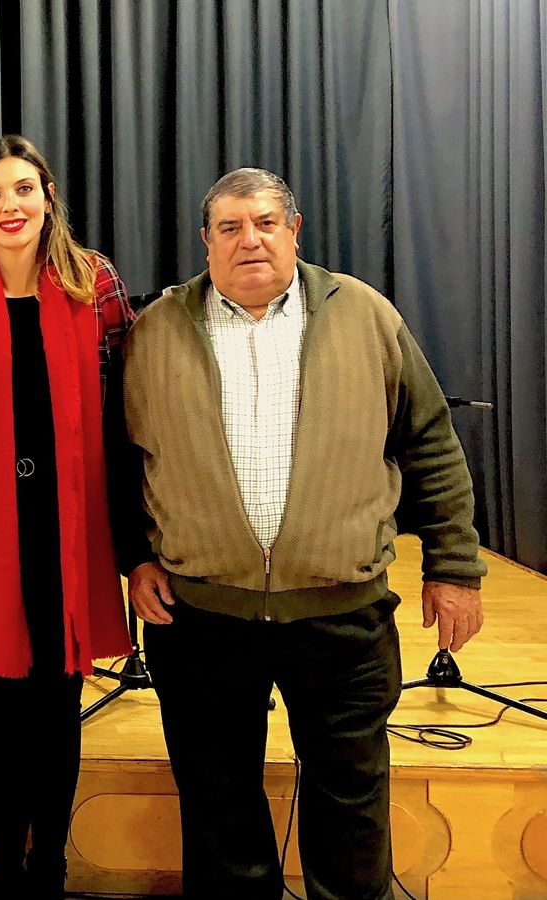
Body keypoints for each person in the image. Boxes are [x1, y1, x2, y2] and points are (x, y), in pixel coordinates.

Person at [119, 167, 487, 899]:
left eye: (263, 222)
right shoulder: (154, 330)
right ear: (206, 241)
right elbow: (118, 458)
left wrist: (454, 566)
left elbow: (430, 441)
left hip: (342, 614)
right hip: (202, 620)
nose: (247, 239)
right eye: (229, 227)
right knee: (219, 806)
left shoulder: (366, 316)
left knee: (349, 804)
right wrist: (135, 556)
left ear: (293, 230)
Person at [0, 135, 133, 899]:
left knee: (58, 712)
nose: (9, 207)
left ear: (47, 197)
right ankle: (6, 869)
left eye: (22, 190)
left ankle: (51, 867)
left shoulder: (91, 280)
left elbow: (137, 385)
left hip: (70, 529)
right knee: (3, 717)